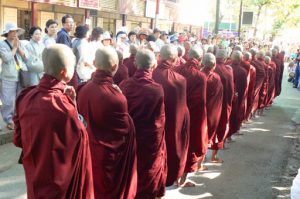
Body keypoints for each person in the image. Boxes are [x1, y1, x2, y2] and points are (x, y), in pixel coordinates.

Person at [13, 44, 94, 198]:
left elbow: (18, 140)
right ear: (64, 72)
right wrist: (73, 106)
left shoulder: (25, 96)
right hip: (57, 179)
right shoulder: (63, 106)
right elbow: (81, 137)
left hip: (34, 171)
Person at [77, 47, 137, 199]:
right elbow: (126, 129)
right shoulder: (116, 97)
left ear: (94, 63)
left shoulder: (83, 89)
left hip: (88, 151)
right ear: (115, 66)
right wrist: (121, 97)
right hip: (108, 158)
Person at [119, 49, 167, 199]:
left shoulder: (124, 85)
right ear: (153, 65)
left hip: (131, 137)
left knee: (132, 167)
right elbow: (160, 118)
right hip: (150, 138)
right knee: (149, 169)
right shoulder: (157, 89)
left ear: (135, 63)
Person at [152, 44, 190, 187]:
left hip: (153, 127)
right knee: (173, 147)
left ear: (159, 57)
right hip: (173, 124)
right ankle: (172, 178)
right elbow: (182, 108)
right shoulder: (180, 80)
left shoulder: (150, 75)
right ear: (174, 60)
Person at [175, 47, 208, 184]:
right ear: (200, 59)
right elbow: (201, 101)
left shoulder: (176, 70)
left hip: (177, 113)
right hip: (193, 115)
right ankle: (182, 179)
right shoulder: (200, 76)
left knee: (177, 143)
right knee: (190, 145)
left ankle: (175, 175)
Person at [0, 23, 27, 130]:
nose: (15, 33)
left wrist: (19, 46)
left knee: (19, 99)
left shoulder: (19, 42)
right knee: (8, 101)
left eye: (16, 31)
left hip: (20, 74)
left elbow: (26, 57)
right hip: (8, 76)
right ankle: (8, 120)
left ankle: (17, 119)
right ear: (7, 33)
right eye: (12, 31)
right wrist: (15, 47)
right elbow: (6, 58)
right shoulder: (2, 44)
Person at [201, 53, 223, 166]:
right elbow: (219, 99)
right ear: (214, 65)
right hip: (211, 112)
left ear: (202, 62)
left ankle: (200, 160)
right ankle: (201, 160)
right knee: (206, 134)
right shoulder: (216, 78)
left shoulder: (197, 75)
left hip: (197, 111)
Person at [213, 48, 234, 161]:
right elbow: (230, 89)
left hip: (210, 105)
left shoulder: (210, 67)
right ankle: (214, 156)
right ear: (225, 58)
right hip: (223, 103)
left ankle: (201, 160)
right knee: (220, 127)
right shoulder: (228, 70)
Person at [227, 51, 248, 139]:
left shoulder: (227, 68)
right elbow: (244, 87)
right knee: (234, 115)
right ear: (240, 59)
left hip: (227, 96)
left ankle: (225, 137)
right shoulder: (243, 71)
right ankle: (229, 137)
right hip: (238, 96)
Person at [243, 52, 257, 122]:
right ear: (250, 58)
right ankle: (245, 119)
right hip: (247, 89)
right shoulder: (252, 68)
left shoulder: (229, 65)